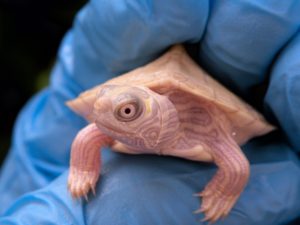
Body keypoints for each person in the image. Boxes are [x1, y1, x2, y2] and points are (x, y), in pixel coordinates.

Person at [1, 1, 300, 224]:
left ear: (159, 109)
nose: (100, 116)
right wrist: (82, 169)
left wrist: (223, 192)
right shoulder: (110, 123)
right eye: (101, 105)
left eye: (128, 110)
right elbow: (90, 134)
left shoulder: (201, 119)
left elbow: (236, 166)